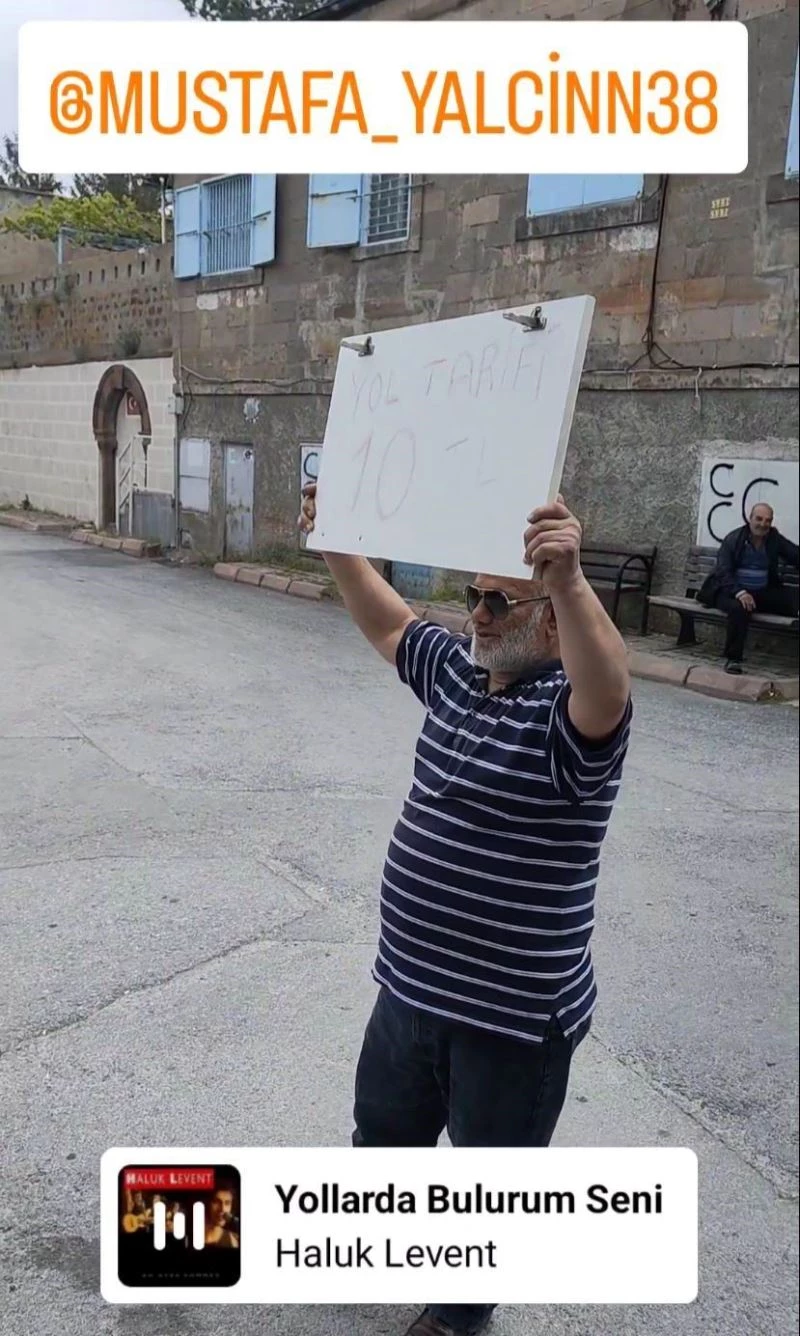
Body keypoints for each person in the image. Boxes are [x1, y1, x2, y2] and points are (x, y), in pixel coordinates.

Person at [299, 485, 631, 1336]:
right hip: (408, 992)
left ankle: (454, 1316)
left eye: (499, 602)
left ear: (549, 623)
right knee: (383, 1140)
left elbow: (608, 689)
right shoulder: (457, 674)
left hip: (509, 1022)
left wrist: (570, 582)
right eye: (474, 596)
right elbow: (390, 625)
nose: (478, 614)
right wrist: (337, 544)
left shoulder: (568, 721)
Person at [698, 503, 799, 674]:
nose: (763, 524)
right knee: (739, 609)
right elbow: (723, 571)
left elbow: (794, 554)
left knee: (794, 599)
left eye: (767, 520)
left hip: (760, 591)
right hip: (728, 591)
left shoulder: (773, 538)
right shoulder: (734, 539)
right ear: (749, 519)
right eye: (759, 519)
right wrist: (740, 592)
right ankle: (733, 659)